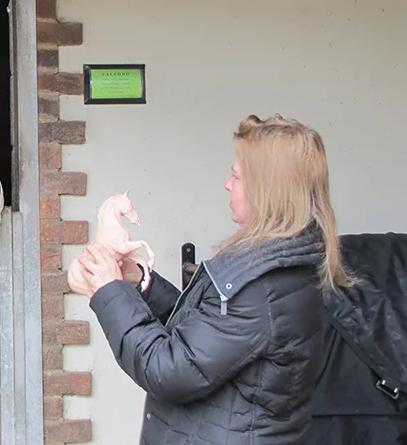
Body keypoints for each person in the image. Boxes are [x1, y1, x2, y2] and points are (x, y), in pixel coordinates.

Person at [78, 114, 353, 445]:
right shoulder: (273, 265)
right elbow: (203, 334)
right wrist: (139, 283)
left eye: (236, 176)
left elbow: (170, 370)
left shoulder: (264, 286)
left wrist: (111, 293)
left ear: (266, 191)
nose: (228, 184)